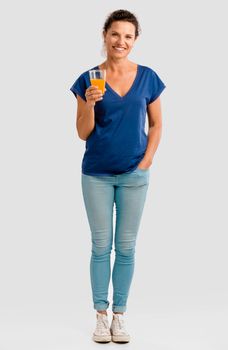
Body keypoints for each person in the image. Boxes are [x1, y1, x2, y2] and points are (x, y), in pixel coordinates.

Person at [70, 9, 166, 343]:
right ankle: (100, 316)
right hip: (96, 173)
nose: (120, 41)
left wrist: (146, 161)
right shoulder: (88, 78)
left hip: (133, 175)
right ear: (105, 36)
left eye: (128, 36)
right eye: (115, 34)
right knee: (101, 246)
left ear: (135, 40)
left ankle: (120, 317)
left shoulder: (149, 77)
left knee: (126, 248)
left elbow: (156, 124)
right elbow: (83, 133)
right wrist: (91, 105)